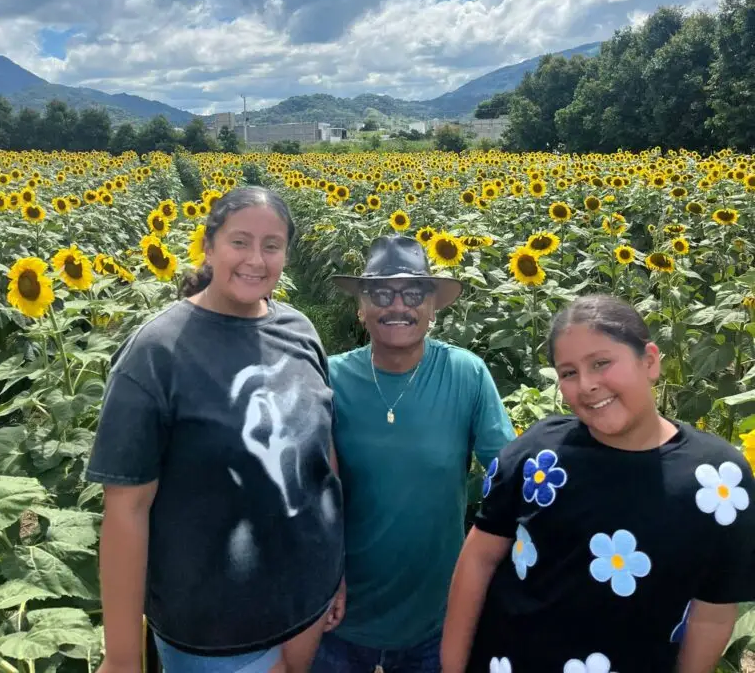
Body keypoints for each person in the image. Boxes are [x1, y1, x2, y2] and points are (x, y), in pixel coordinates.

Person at [86, 187, 344, 673]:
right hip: (214, 625)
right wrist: (122, 658)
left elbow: (321, 455)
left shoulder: (299, 330)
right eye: (239, 241)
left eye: (272, 245)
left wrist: (335, 570)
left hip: (307, 598)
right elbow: (126, 511)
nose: (256, 259)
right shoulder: (156, 353)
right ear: (208, 246)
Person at [441, 294, 755, 673]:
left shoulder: (718, 480)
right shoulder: (536, 457)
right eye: (568, 372)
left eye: (601, 363)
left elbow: (713, 612)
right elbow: (479, 558)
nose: (587, 384)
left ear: (650, 361)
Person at [313, 235, 515, 673]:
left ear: (432, 308)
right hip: (339, 612)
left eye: (413, 294)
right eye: (381, 294)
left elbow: (507, 473)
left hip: (436, 617)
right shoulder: (330, 379)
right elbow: (305, 486)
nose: (397, 306)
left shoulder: (466, 374)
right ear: (360, 308)